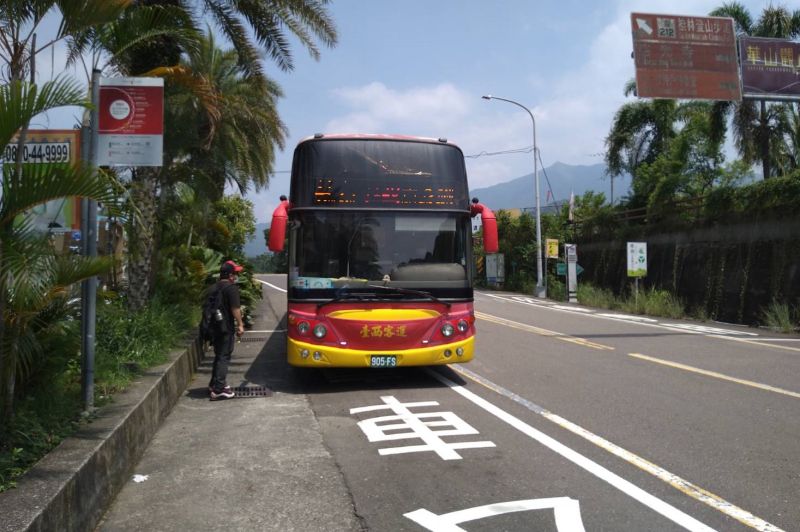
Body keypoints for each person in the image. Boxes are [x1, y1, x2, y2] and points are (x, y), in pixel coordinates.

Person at [208, 260, 245, 400]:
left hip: (214, 327)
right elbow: (235, 309)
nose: (236, 276)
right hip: (225, 328)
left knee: (218, 355)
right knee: (224, 356)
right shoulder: (231, 288)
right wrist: (240, 324)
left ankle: (214, 384)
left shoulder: (213, 287)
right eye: (235, 273)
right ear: (230, 275)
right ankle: (218, 389)